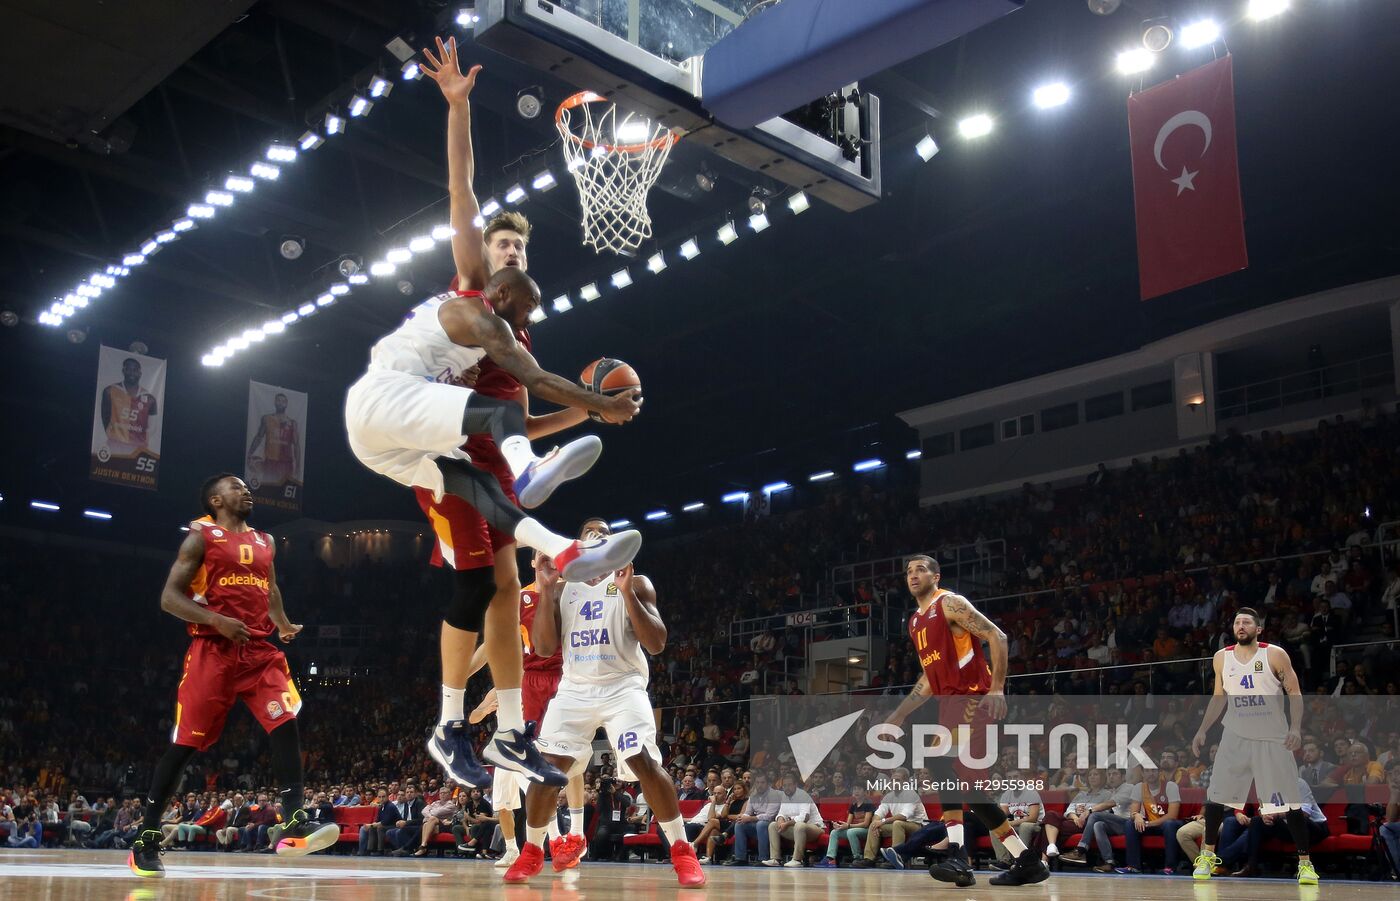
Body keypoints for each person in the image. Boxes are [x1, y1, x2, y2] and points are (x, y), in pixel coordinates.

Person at [417, 35, 603, 799]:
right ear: (485, 254)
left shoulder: (520, 335)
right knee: (472, 590)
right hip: (442, 453)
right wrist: (458, 110)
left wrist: (586, 423)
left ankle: (513, 733)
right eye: (503, 241)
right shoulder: (469, 283)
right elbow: (461, 191)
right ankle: (449, 722)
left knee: (500, 589)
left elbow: (524, 419)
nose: (511, 250)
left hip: (493, 459)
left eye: (520, 244)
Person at [127, 474, 338, 878]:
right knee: (187, 744)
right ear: (215, 499)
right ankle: (146, 838)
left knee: (286, 720)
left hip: (259, 652)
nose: (246, 490)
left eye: (246, 486)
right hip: (213, 650)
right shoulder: (200, 538)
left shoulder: (266, 541)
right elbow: (169, 599)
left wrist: (284, 623)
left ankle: (294, 821)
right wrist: (215, 620)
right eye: (235, 486)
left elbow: (269, 589)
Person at [503, 520, 705, 887]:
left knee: (641, 760)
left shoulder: (637, 582)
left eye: (603, 532)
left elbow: (657, 643)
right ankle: (532, 851)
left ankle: (682, 851)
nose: (596, 535)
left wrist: (626, 593)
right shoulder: (565, 589)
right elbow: (545, 648)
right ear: (578, 545)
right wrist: (547, 589)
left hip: (622, 687)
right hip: (575, 690)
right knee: (547, 769)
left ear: (613, 545)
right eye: (588, 532)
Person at [886, 555, 1050, 887]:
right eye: (908, 571)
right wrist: (898, 714)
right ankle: (1026, 860)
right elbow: (930, 679)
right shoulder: (916, 622)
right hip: (949, 704)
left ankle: (958, 857)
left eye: (921, 570)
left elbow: (998, 637)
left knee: (938, 762)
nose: (913, 575)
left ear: (936, 576)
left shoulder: (950, 604)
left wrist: (997, 688)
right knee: (972, 792)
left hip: (973, 697)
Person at [468, 558, 588, 871]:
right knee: (530, 773)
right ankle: (550, 840)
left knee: (572, 761)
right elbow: (493, 642)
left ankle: (574, 834)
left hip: (569, 676)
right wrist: (460, 673)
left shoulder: (574, 591)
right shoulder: (519, 597)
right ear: (534, 561)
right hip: (532, 682)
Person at [1190, 608, 1318, 885]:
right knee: (1216, 795)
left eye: (1247, 622)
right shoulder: (1221, 657)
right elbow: (1218, 697)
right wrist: (1202, 730)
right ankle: (1208, 856)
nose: (1241, 625)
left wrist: (1295, 727)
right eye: (1237, 621)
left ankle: (1305, 864)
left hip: (1273, 736)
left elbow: (1294, 693)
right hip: (1235, 735)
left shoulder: (1274, 654)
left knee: (1290, 800)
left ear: (1258, 629)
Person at [100, 356, 158, 457]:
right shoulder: (110, 391)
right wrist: (115, 434)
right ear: (123, 371)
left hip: (138, 447)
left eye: (135, 370)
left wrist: (139, 437)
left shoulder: (150, 398)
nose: (132, 373)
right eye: (128, 369)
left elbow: (152, 427)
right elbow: (105, 416)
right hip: (115, 444)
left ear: (140, 373)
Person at [246, 392, 301, 488]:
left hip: (286, 463)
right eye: (278, 400)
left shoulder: (292, 423)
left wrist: (298, 466)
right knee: (268, 490)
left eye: (283, 401)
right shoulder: (267, 418)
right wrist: (250, 453)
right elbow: (259, 437)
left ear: (286, 404)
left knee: (284, 493)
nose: (280, 403)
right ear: (275, 402)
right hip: (270, 461)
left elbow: (296, 445)